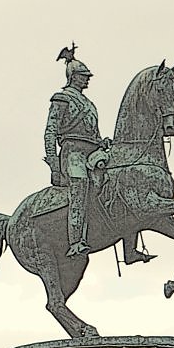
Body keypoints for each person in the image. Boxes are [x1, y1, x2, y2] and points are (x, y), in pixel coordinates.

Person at [44, 50, 108, 257]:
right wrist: (54, 164)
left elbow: (94, 134)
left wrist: (102, 142)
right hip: (73, 154)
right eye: (84, 77)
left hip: (92, 152)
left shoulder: (90, 105)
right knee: (79, 187)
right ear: (73, 76)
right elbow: (50, 131)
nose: (87, 80)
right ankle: (76, 241)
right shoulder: (61, 98)